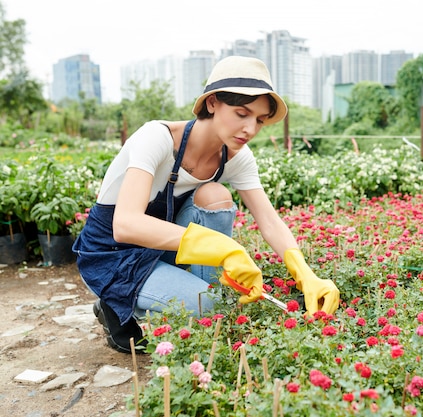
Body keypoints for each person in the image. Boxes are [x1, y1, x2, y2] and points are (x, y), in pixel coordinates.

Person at [72, 56, 340, 354]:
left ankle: (195, 298)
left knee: (214, 195)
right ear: (212, 103)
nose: (250, 129)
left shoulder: (237, 157)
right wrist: (224, 248)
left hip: (163, 249)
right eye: (242, 113)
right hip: (113, 256)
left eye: (260, 120)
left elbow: (269, 220)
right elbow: (125, 225)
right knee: (214, 309)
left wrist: (306, 275)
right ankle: (118, 303)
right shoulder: (157, 138)